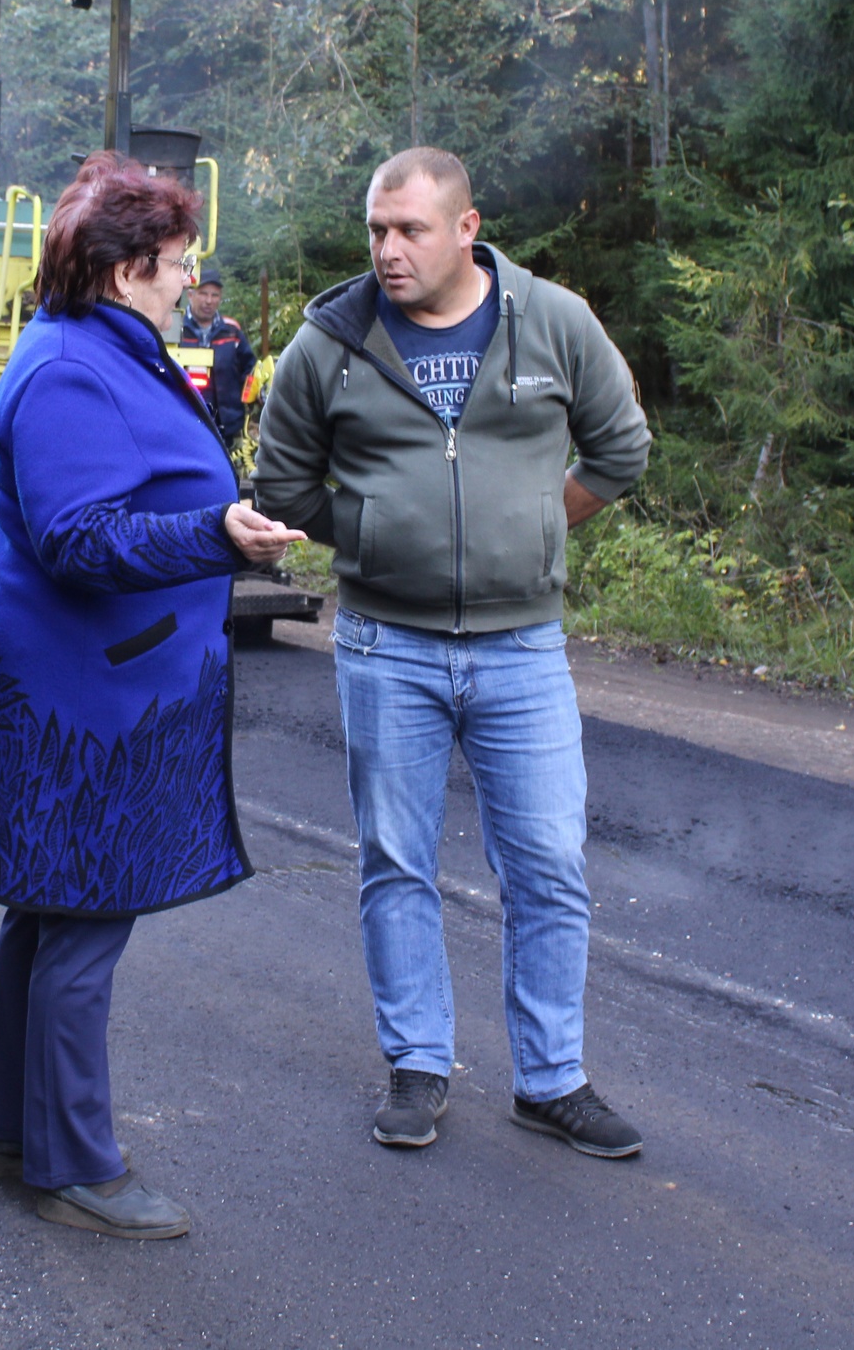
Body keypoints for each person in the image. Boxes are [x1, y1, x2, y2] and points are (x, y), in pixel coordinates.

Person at [252, 146, 653, 1161]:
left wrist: (532, 530)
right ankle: (418, 1066)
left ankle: (551, 1079)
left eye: (411, 231)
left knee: (549, 864)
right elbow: (285, 482)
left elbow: (620, 449)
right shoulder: (329, 343)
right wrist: (383, 533)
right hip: (386, 644)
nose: (389, 251)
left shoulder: (550, 319)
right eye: (377, 231)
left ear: (465, 229)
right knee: (396, 862)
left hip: (523, 647)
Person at [0, 152, 303, 1240]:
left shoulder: (114, 348)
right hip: (89, 701)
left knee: (49, 909)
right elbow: (72, 537)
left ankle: (15, 1135)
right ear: (121, 268)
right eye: (174, 264)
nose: (186, 280)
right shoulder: (68, 370)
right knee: (84, 919)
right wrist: (213, 531)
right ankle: (77, 1166)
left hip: (104, 679)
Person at [175, 261, 252, 446]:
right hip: (184, 425)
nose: (209, 301)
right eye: (203, 294)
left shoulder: (232, 331)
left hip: (228, 427)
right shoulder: (174, 329)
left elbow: (250, 370)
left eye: (214, 295)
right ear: (191, 295)